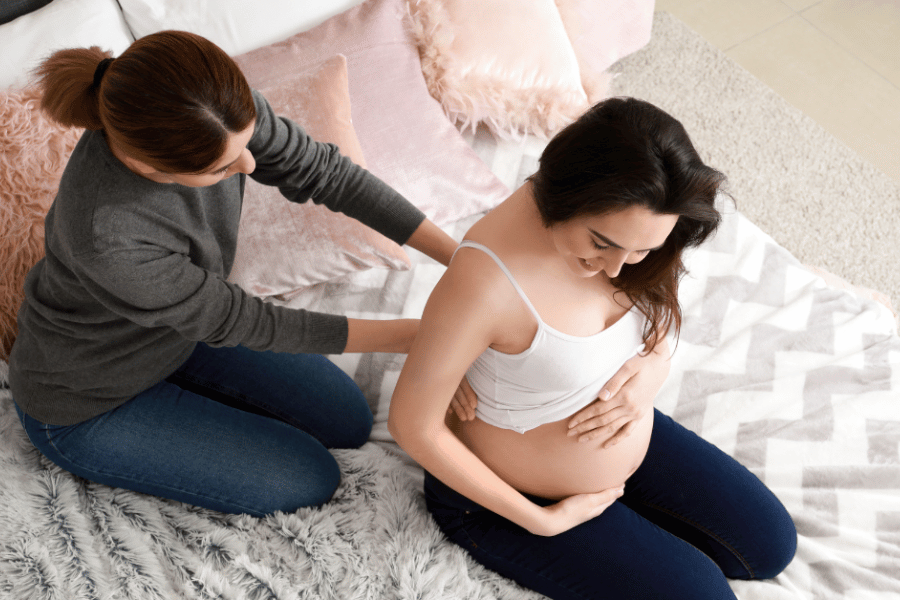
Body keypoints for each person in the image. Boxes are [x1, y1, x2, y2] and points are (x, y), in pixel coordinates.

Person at [7, 30, 461, 517]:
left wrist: (463, 258)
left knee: (348, 421)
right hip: (88, 399)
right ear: (147, 166)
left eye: (245, 145)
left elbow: (326, 174)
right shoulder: (109, 235)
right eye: (222, 168)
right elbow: (250, 322)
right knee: (308, 477)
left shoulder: (211, 106)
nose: (248, 163)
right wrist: (418, 335)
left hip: (177, 337)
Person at [389, 97, 797, 599]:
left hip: (622, 433)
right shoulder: (485, 282)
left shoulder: (642, 221)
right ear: (566, 194)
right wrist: (541, 521)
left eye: (643, 251)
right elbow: (412, 425)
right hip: (506, 500)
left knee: (768, 544)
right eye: (601, 243)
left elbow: (653, 322)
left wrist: (655, 366)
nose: (616, 269)